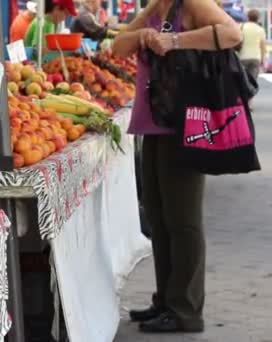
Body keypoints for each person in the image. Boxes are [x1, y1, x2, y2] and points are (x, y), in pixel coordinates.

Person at [112, 0, 241, 334]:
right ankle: (166, 300)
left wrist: (175, 40)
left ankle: (185, 309)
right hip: (156, 124)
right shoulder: (158, 6)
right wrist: (143, 33)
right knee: (158, 215)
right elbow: (118, 45)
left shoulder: (193, 3)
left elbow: (231, 33)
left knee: (182, 221)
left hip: (184, 125)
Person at [238, 9, 266, 83]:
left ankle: (242, 94)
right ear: (258, 18)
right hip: (256, 58)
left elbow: (236, 40)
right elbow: (262, 46)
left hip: (242, 57)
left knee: (242, 80)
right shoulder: (260, 29)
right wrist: (263, 59)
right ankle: (250, 94)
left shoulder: (241, 27)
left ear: (248, 17)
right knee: (252, 81)